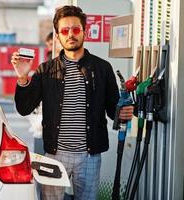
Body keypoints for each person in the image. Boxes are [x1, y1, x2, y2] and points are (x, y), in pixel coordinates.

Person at [11, 5, 134, 200]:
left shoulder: (102, 68)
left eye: (76, 29)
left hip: (89, 156)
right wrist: (23, 78)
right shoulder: (46, 70)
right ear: (58, 36)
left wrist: (124, 112)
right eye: (65, 30)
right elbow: (24, 108)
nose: (71, 34)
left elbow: (114, 109)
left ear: (84, 31)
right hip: (54, 154)